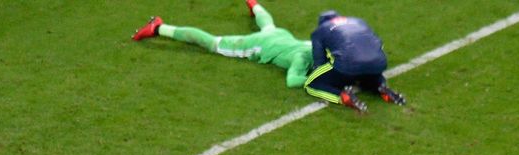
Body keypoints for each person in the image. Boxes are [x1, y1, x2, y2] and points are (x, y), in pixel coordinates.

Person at [132, 2, 406, 112]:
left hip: (279, 36)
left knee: (268, 24)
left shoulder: (311, 47)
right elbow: (293, 80)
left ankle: (254, 3)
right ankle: (159, 27)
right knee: (212, 43)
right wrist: (325, 81)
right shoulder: (303, 57)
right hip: (260, 47)